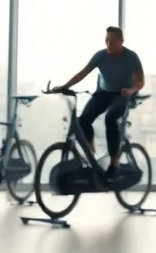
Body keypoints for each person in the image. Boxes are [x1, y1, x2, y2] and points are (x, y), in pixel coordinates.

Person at [49, 26, 144, 180]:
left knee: (111, 118)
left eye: (112, 41)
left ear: (121, 41)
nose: (109, 45)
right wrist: (65, 87)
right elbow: (83, 73)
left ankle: (114, 163)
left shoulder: (131, 57)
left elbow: (140, 81)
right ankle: (91, 152)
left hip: (123, 93)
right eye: (106, 41)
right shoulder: (101, 56)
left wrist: (131, 90)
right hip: (104, 93)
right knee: (83, 120)